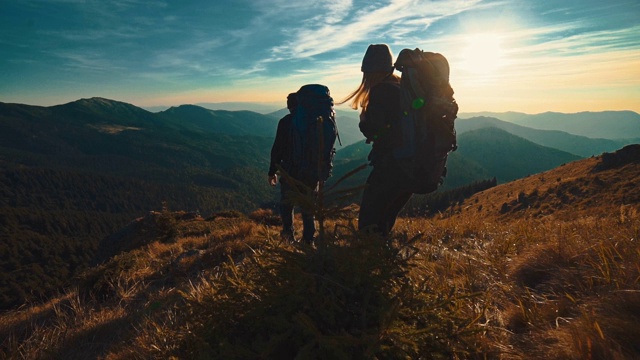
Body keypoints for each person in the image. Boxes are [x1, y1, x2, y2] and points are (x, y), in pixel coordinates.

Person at [340, 43, 412, 236]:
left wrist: (364, 122)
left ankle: (368, 261)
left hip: (391, 167)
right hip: (412, 165)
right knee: (384, 221)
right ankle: (382, 260)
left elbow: (378, 133)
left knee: (369, 224)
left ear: (367, 71)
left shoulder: (380, 92)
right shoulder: (402, 88)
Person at [268, 93, 317, 244]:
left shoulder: (286, 122)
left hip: (290, 171)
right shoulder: (314, 121)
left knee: (287, 204)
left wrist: (272, 171)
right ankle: (309, 240)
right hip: (312, 172)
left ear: (289, 106)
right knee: (308, 207)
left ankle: (288, 236)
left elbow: (277, 148)